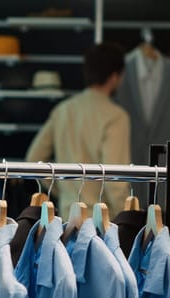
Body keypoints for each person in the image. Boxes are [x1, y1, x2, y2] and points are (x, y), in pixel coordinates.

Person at [25, 42, 131, 220]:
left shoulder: (63, 110)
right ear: (114, 76)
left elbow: (34, 159)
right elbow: (115, 180)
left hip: (67, 216)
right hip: (101, 221)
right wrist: (127, 219)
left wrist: (63, 189)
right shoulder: (116, 116)